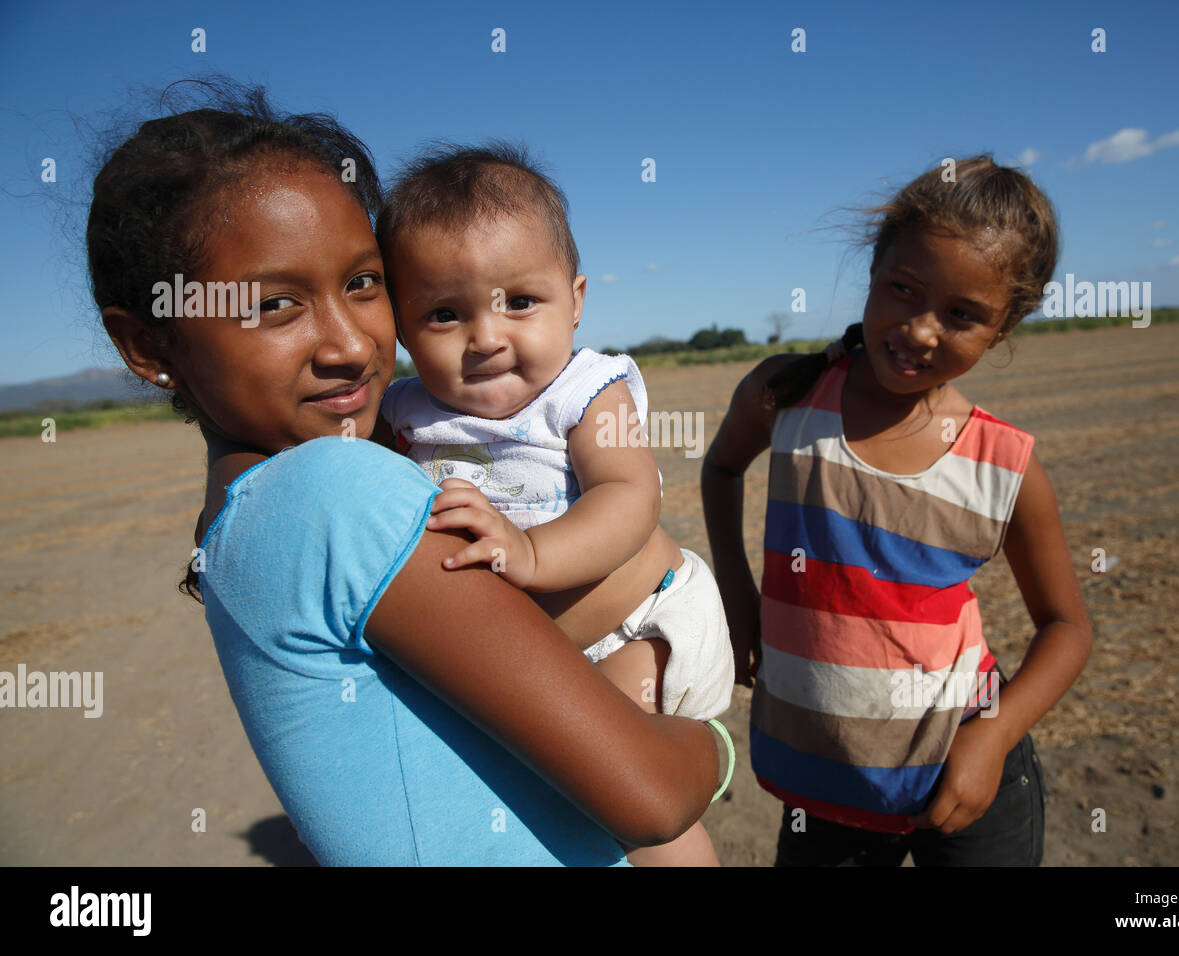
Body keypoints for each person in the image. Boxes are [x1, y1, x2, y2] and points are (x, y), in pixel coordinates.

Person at [89, 84, 732, 866]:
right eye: (276, 305)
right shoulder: (340, 492)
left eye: (363, 284)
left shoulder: (239, 521)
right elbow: (655, 794)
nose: (350, 345)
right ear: (149, 347)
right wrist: (713, 745)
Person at [700, 156, 1092, 866]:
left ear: (1003, 330)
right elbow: (722, 465)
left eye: (963, 315)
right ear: (873, 271)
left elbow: (1067, 628)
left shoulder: (1004, 464)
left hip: (966, 775)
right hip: (823, 783)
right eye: (903, 291)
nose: (919, 330)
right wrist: (738, 594)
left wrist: (993, 736)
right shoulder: (786, 397)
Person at [373, 143, 733, 866]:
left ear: (577, 301)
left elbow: (630, 494)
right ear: (403, 328)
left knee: (620, 785)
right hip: (537, 645)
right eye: (445, 313)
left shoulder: (585, 389)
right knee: (553, 795)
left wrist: (534, 551)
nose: (486, 337)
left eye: (521, 301)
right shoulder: (405, 413)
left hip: (642, 621)